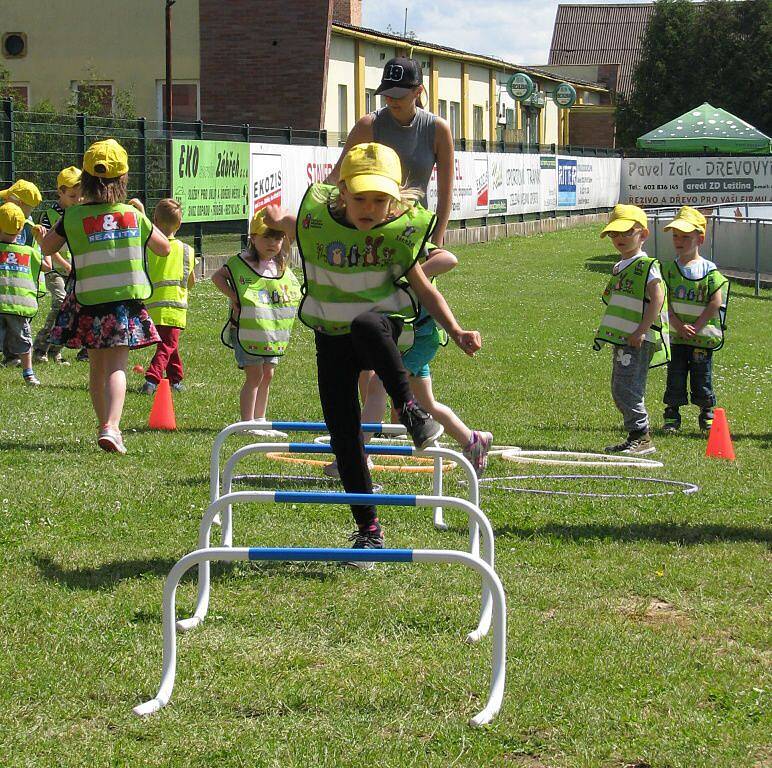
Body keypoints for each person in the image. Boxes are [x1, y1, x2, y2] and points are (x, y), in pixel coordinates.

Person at [265, 142, 481, 561]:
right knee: (345, 435)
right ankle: (368, 527)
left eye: (380, 199)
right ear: (342, 192)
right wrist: (277, 219)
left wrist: (455, 330)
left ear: (396, 197)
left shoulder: (397, 236)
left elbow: (424, 289)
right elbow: (289, 221)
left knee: (367, 322)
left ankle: (411, 410)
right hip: (332, 339)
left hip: (381, 333)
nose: (369, 208)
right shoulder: (318, 221)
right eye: (360, 197)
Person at [41, 138, 170, 454]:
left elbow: (46, 249)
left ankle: (104, 426)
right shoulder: (132, 215)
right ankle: (113, 427)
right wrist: (141, 215)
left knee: (97, 368)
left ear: (85, 179)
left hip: (88, 303)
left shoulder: (71, 218)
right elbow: (164, 247)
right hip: (123, 304)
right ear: (123, 179)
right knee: (117, 367)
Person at [328, 247, 493, 478]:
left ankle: (356, 457)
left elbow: (450, 259)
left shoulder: (415, 245)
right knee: (427, 403)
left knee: (377, 386)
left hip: (420, 339)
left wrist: (413, 276)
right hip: (403, 338)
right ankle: (473, 439)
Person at [211, 209, 300, 432]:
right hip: (248, 332)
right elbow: (217, 276)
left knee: (268, 374)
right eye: (267, 237)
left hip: (270, 333)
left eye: (278, 238)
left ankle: (261, 419)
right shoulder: (241, 262)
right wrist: (234, 297)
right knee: (255, 374)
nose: (273, 243)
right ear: (253, 238)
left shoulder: (280, 267)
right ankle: (247, 422)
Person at [593, 204, 669, 456]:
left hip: (638, 338)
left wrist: (641, 330)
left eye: (627, 232)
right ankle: (635, 435)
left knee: (628, 387)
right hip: (624, 339)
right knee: (619, 387)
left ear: (643, 234)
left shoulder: (646, 265)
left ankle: (642, 436)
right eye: (614, 234)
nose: (619, 239)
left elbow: (657, 297)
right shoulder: (620, 266)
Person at [660, 206, 728, 433]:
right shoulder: (668, 270)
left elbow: (715, 302)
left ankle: (707, 412)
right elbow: (664, 300)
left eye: (685, 237)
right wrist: (678, 325)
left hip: (701, 338)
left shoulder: (709, 270)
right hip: (677, 338)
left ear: (700, 238)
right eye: (675, 236)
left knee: (702, 376)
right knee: (675, 375)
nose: (679, 241)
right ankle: (672, 414)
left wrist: (697, 326)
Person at [139, 198, 195, 394]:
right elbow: (191, 281)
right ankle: (152, 379)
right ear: (179, 224)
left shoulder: (148, 247)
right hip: (175, 308)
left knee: (170, 345)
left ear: (155, 220)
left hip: (152, 307)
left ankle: (175, 379)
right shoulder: (187, 250)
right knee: (168, 345)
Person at [32, 166, 83, 365]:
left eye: (80, 195)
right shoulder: (49, 215)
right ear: (60, 192)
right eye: (72, 196)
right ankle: (40, 348)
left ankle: (56, 351)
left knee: (72, 310)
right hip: (55, 270)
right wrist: (65, 264)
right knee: (60, 302)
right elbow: (46, 246)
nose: (78, 200)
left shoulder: (80, 213)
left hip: (73, 270)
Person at [0, 202, 52, 386]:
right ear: (22, 228)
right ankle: (28, 373)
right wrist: (42, 243)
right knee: (24, 341)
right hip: (19, 306)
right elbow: (48, 267)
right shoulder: (29, 252)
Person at [0, 179, 45, 366]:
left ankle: (13, 356)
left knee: (14, 324)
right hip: (23, 289)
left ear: (18, 203)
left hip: (16, 283)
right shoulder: (27, 225)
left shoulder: (24, 229)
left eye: (7, 199)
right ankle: (13, 357)